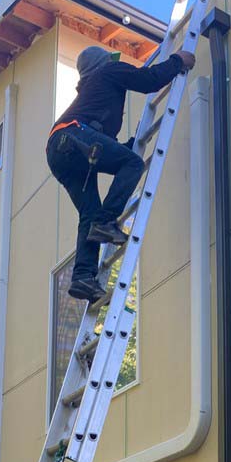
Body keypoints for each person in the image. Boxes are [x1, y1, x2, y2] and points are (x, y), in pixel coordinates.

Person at [46, 45, 196, 302]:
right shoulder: (109, 72)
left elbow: (108, 149)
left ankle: (83, 277)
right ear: (103, 63)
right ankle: (106, 222)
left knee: (89, 213)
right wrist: (177, 60)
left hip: (60, 151)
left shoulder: (92, 97)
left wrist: (131, 143)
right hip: (73, 137)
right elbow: (149, 80)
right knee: (133, 165)